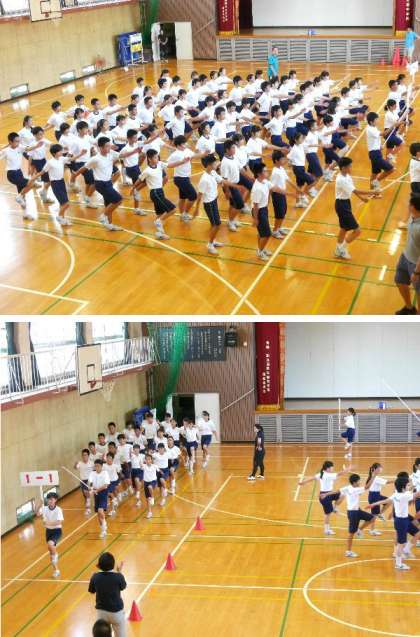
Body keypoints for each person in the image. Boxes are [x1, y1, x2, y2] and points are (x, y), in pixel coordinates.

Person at [74, 137, 122, 231]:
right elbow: (84, 168)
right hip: (101, 184)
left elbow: (122, 155)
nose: (109, 147)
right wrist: (74, 175)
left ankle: (109, 225)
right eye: (107, 146)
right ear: (100, 147)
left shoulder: (110, 154)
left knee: (109, 204)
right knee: (118, 200)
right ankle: (103, 216)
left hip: (108, 183)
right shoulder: (95, 159)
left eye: (109, 145)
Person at [334, 157, 378, 260]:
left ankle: (338, 249)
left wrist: (362, 198)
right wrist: (373, 192)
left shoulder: (347, 176)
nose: (351, 168)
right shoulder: (341, 180)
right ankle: (342, 250)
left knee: (344, 228)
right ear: (343, 168)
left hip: (345, 203)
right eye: (349, 166)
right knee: (357, 231)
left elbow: (353, 190)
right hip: (341, 205)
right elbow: (357, 191)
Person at [321, 473, 374, 558]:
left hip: (358, 511)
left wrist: (326, 494)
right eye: (358, 481)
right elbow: (367, 487)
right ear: (354, 483)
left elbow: (337, 491)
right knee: (351, 533)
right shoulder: (354, 490)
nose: (360, 482)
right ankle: (348, 551)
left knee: (371, 518)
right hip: (353, 513)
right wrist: (374, 475)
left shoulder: (347, 488)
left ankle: (359, 530)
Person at [298, 460, 350, 534]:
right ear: (328, 468)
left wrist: (303, 482)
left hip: (330, 493)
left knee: (343, 494)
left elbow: (312, 478)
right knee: (327, 514)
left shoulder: (321, 473)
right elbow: (340, 473)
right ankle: (326, 530)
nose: (333, 469)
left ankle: (335, 507)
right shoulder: (328, 475)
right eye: (332, 467)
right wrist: (348, 469)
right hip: (324, 497)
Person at [88, 552, 127, 637]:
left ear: (99, 565)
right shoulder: (118, 576)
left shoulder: (95, 577)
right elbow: (123, 586)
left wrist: (92, 578)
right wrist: (119, 572)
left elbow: (91, 591)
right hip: (116, 613)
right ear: (113, 565)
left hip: (101, 613)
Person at [394, 194, 420, 314]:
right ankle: (409, 308)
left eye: (409, 204)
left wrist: (416, 272)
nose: (407, 206)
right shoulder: (413, 217)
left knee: (419, 292)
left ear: (413, 207)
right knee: (399, 281)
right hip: (405, 257)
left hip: (416, 264)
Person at [36, 492, 63, 578]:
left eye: (52, 499)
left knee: (50, 545)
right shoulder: (45, 509)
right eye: (48, 499)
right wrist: (39, 505)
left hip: (57, 531)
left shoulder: (58, 510)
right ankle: (56, 570)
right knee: (51, 552)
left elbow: (59, 521)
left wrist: (48, 523)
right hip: (48, 531)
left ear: (55, 500)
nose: (50, 501)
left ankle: (56, 554)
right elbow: (37, 514)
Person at [88, 459, 111, 538]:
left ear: (101, 466)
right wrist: (91, 488)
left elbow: (105, 485)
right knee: (98, 514)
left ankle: (104, 524)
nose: (96, 467)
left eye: (98, 466)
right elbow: (90, 482)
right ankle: (103, 530)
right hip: (96, 494)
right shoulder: (92, 473)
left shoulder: (105, 473)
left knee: (100, 510)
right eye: (95, 466)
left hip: (103, 493)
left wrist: (96, 490)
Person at [74, 448, 93, 515]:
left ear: (88, 455)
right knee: (85, 495)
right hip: (82, 480)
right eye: (83, 455)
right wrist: (75, 464)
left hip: (90, 480)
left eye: (85, 455)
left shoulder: (91, 463)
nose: (84, 456)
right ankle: (88, 507)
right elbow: (75, 468)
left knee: (87, 493)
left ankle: (88, 509)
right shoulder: (80, 463)